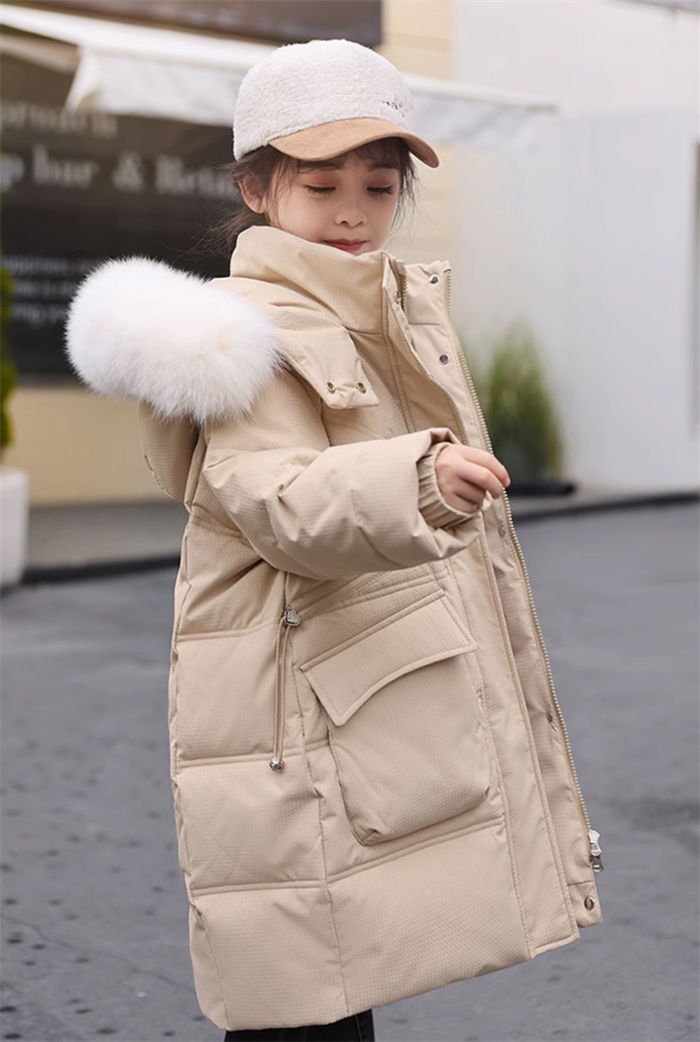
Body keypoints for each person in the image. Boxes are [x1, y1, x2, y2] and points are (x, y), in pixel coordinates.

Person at [66, 38, 602, 1042]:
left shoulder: (384, 306)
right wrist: (418, 480)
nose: (354, 211)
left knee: (331, 977)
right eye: (321, 186)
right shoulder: (247, 330)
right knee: (302, 982)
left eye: (379, 184)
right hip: (293, 705)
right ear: (255, 190)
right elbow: (275, 496)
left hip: (346, 692)